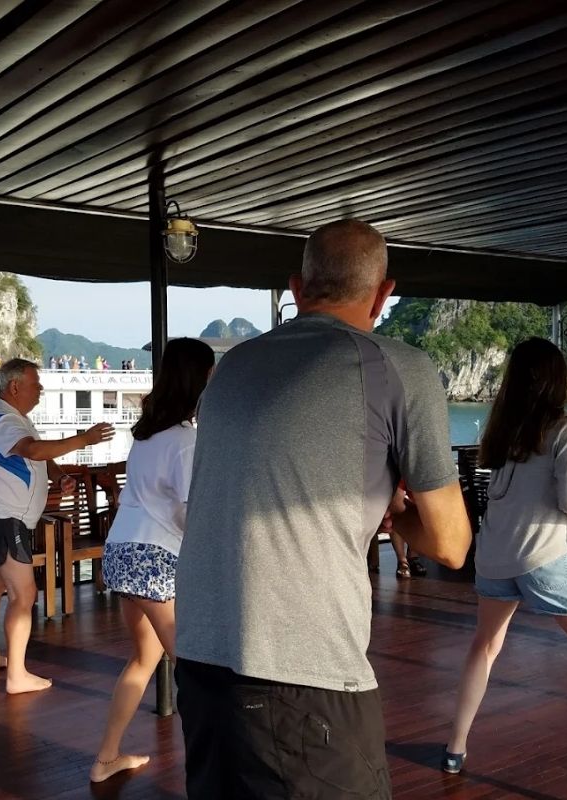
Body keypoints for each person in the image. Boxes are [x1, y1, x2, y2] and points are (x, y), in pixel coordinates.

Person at [174, 219, 473, 799]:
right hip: (302, 674)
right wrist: (398, 514)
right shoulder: (397, 367)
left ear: (297, 288)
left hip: (201, 660)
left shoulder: (232, 366)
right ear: (384, 294)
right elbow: (452, 543)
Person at [441, 338, 567, 800]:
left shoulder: (507, 429)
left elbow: (538, 470)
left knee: (485, 647)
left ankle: (455, 747)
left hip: (495, 558)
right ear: (558, 378)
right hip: (546, 560)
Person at [89, 338, 216, 783]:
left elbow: (135, 497)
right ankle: (218, 766)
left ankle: (107, 758)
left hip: (121, 551)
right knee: (193, 664)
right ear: (200, 379)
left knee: (144, 659)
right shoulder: (185, 440)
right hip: (155, 557)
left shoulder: (146, 435)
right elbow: (188, 510)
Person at [0, 359, 114, 693]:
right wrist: (84, 440)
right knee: (25, 594)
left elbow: (38, 456)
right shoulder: (5, 420)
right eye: (36, 384)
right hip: (7, 520)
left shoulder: (12, 420)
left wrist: (60, 475)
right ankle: (17, 676)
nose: (41, 390)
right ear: (15, 386)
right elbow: (32, 450)